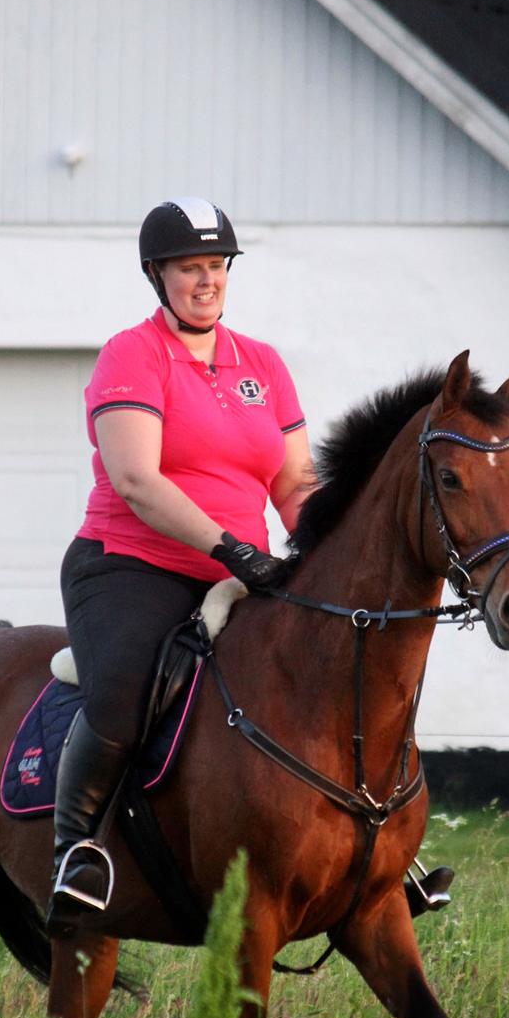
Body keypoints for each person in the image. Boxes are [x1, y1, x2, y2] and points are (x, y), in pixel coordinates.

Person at [48, 197, 317, 935]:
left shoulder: (261, 364)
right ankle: (76, 857)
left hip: (241, 572)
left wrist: (321, 552)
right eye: (189, 268)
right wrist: (233, 549)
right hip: (131, 564)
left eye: (216, 266)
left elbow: (293, 482)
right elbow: (137, 480)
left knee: (322, 671)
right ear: (156, 275)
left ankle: (372, 849)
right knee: (127, 690)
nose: (206, 281)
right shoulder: (132, 354)